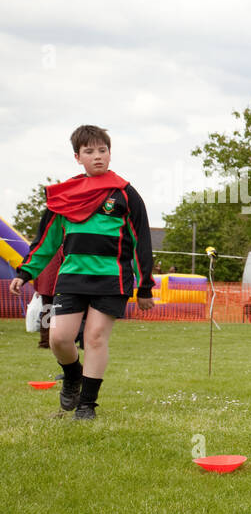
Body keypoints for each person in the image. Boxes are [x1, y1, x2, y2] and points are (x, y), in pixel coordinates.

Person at [8, 125, 154, 419]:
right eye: (90, 151)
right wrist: (25, 272)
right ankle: (73, 375)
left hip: (112, 280)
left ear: (110, 154)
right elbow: (47, 241)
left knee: (96, 337)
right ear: (78, 157)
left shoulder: (126, 194)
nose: (98, 156)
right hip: (72, 277)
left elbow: (142, 242)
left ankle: (87, 405)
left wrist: (145, 287)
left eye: (103, 150)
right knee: (59, 339)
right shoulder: (65, 196)